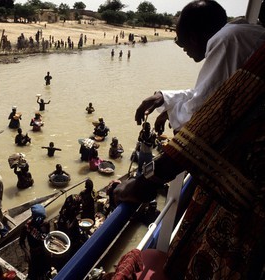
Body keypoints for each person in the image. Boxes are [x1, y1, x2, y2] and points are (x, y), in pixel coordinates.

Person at [111, 19, 265, 279]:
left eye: (180, 37)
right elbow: (211, 95)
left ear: (196, 36)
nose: (177, 44)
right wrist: (166, 98)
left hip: (243, 202)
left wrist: (145, 182)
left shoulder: (232, 38)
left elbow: (206, 119)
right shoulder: (249, 36)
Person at [134, 0, 265, 135]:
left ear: (193, 38)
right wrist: (165, 97)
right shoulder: (240, 34)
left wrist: (171, 113)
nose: (183, 48)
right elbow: (209, 91)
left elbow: (202, 107)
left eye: (179, 40)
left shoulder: (229, 40)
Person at [20, 204, 51, 280]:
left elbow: (47, 237)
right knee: (33, 274)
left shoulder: (46, 224)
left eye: (42, 218)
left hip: (43, 253)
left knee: (45, 272)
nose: (41, 220)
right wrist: (27, 253)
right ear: (33, 216)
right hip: (33, 254)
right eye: (39, 218)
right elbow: (21, 242)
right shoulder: (27, 226)